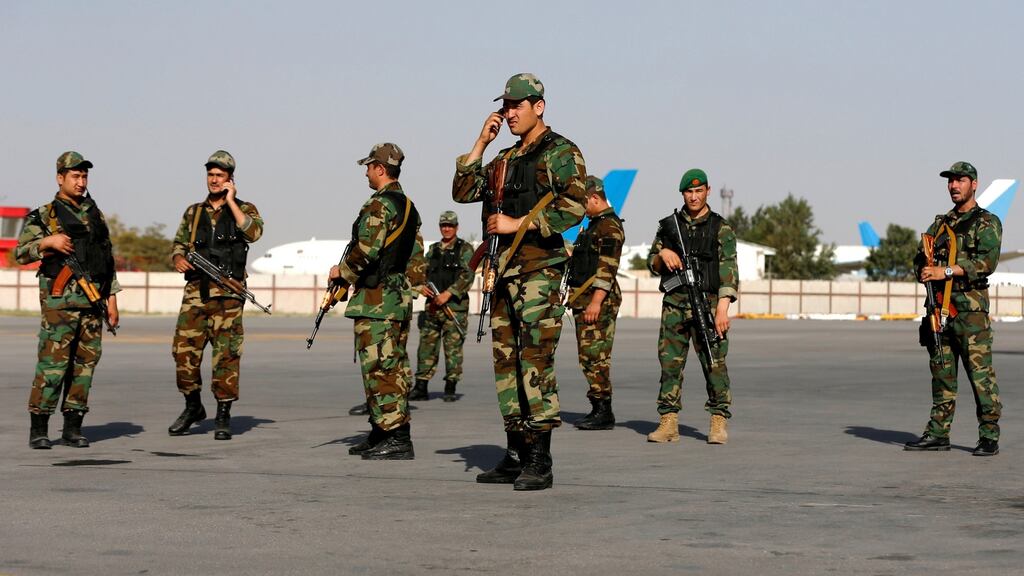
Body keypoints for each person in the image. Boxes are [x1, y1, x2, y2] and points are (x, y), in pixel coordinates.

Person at [453, 73, 587, 490]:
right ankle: (514, 454)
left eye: (517, 106)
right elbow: (462, 191)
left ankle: (540, 460)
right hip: (503, 274)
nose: (509, 113)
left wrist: (519, 224)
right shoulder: (505, 158)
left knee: (536, 363)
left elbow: (575, 205)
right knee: (506, 365)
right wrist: (481, 144)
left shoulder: (561, 152)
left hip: (538, 273)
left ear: (539, 106)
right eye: (505, 106)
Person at [17, 151, 120, 449]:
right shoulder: (45, 215)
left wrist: (111, 299)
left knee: (84, 367)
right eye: (75, 176)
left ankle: (73, 428)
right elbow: (21, 253)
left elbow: (106, 259)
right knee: (52, 366)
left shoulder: (94, 214)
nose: (81, 181)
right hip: (60, 305)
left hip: (92, 302)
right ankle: (39, 428)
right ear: (60, 178)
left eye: (84, 176)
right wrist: (47, 242)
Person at [330, 143, 423, 460]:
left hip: (378, 299)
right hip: (396, 296)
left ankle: (396, 436)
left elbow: (367, 250)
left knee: (381, 368)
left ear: (380, 169)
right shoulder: (408, 206)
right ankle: (382, 430)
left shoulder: (380, 205)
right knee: (393, 367)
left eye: (369, 166)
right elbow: (412, 256)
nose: (366, 172)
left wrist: (340, 272)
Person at [905, 161, 1002, 456]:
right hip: (940, 310)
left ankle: (989, 436)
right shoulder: (940, 224)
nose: (953, 186)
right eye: (950, 181)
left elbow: (986, 263)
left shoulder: (986, 222)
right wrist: (923, 268)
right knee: (942, 373)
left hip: (970, 313)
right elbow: (920, 257)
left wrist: (945, 272)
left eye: (960, 180)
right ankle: (938, 433)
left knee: (980, 376)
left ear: (974, 184)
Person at [168, 150, 264, 440]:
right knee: (183, 353)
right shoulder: (193, 212)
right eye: (210, 175)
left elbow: (253, 233)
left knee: (226, 357)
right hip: (196, 294)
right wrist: (177, 258)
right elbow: (178, 243)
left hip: (228, 296)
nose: (213, 180)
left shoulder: (245, 208)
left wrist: (232, 202)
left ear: (230, 179)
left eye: (219, 175)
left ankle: (223, 415)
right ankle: (193, 405)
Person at [646, 168, 737, 445]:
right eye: (689, 192)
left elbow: (729, 270)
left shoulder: (721, 228)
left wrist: (722, 309)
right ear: (682, 194)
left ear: (708, 191)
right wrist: (664, 253)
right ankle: (669, 421)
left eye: (699, 191)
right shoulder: (670, 226)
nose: (694, 196)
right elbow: (652, 263)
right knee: (670, 364)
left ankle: (718, 420)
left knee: (714, 361)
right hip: (675, 303)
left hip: (707, 304)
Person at [566, 176, 625, 430]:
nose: (580, 207)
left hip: (597, 302)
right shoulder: (592, 226)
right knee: (587, 357)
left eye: (582, 201)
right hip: (585, 300)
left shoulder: (609, 227)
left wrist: (596, 303)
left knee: (596, 356)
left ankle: (604, 411)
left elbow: (607, 268)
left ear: (594, 198)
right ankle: (597, 407)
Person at [410, 211, 474, 402]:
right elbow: (421, 272)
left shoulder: (465, 249)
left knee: (452, 348)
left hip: (454, 308)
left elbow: (468, 275)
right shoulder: (432, 250)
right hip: (433, 308)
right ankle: (421, 386)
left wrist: (449, 293)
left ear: (457, 227)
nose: (446, 228)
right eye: (443, 225)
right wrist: (420, 287)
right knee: (426, 347)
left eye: (450, 225)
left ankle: (450, 387)